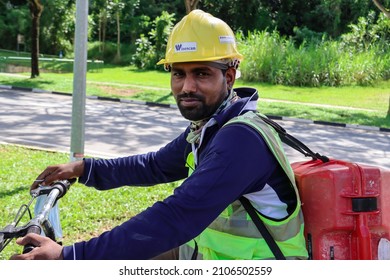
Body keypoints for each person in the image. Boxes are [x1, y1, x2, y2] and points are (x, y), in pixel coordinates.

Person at [11, 9, 308, 260]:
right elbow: (155, 165)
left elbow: (177, 217)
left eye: (201, 73)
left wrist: (70, 256)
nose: (186, 87)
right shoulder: (211, 127)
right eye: (178, 73)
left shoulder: (241, 140)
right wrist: (84, 168)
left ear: (228, 77)